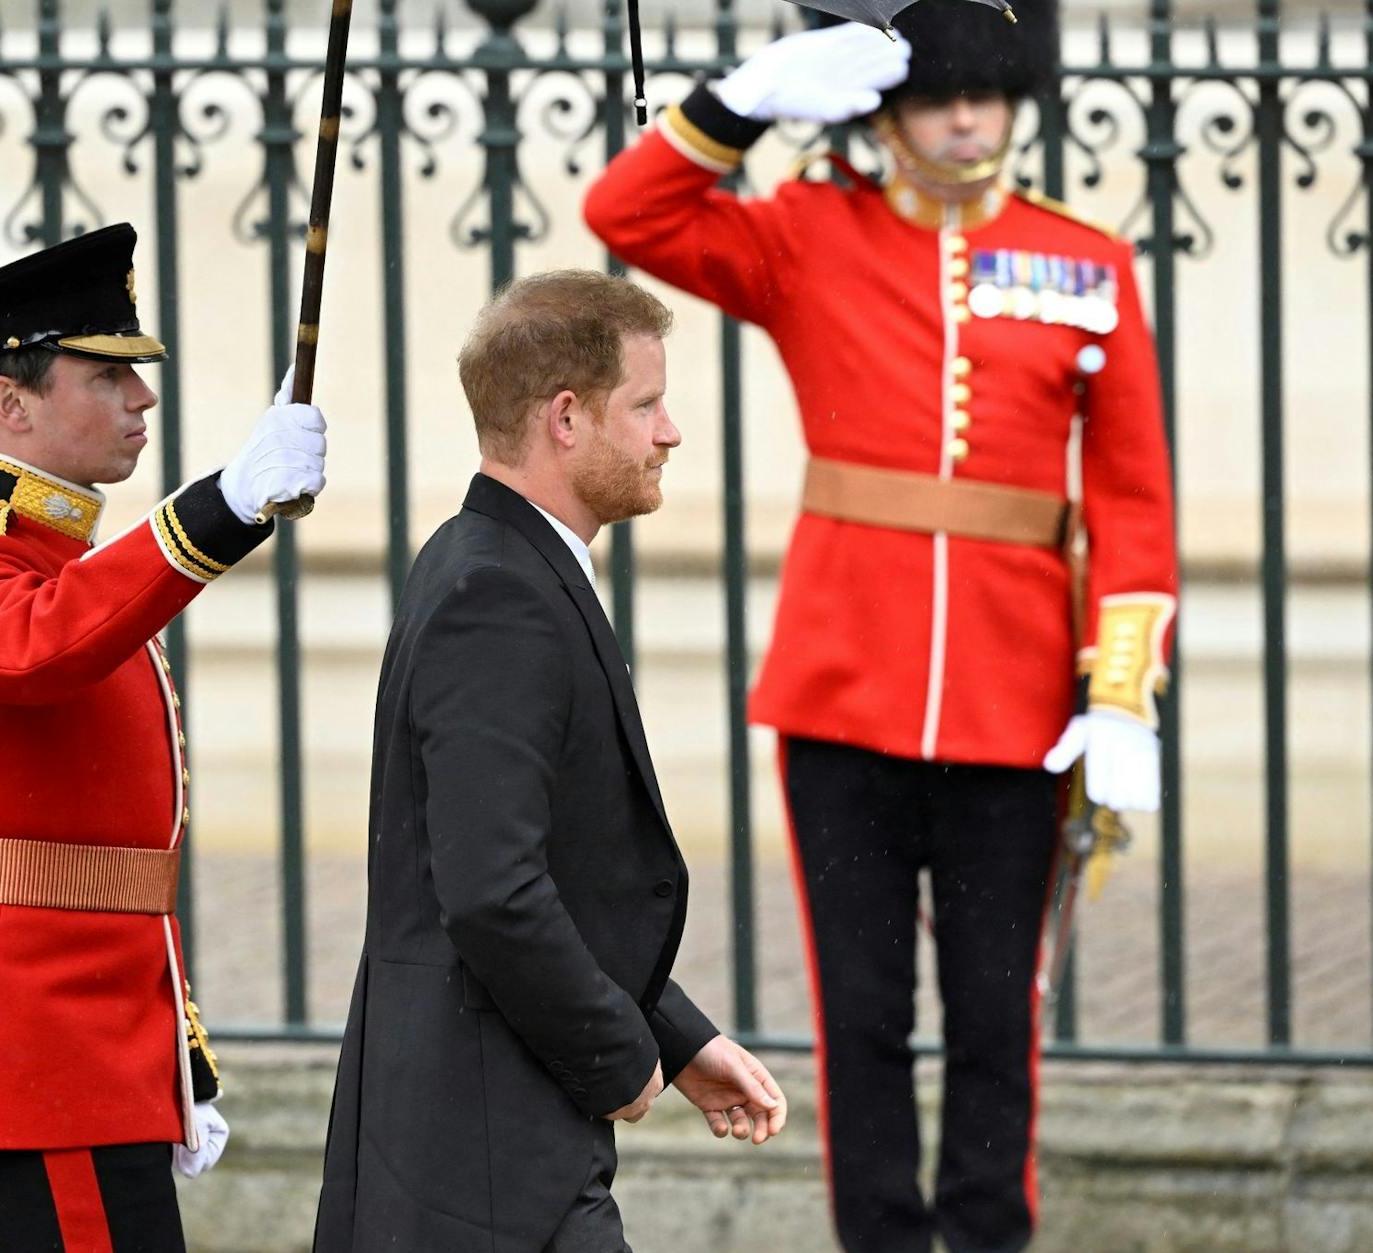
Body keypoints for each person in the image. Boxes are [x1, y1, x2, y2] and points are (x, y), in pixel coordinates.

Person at [584, 4, 1177, 1251]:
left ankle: (986, 1234)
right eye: (936, 97)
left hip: (1018, 704)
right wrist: (737, 105)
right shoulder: (811, 234)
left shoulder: (1086, 263)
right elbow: (627, 215)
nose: (966, 118)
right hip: (843, 689)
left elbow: (1129, 493)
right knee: (857, 1011)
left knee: (991, 1010)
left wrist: (1119, 690)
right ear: (888, 112)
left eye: (985, 95)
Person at [0, 222, 328, 1253]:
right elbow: (36, 648)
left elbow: (106, 861)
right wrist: (219, 507)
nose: (143, 399)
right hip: (30, 1062)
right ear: (10, 401)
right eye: (105, 375)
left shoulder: (58, 564)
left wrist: (176, 1052)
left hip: (87, 1056)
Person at [313, 269, 787, 1253]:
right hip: (479, 1155)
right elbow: (491, 885)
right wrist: (617, 1055)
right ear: (564, 419)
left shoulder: (496, 560)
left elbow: (558, 869)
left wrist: (679, 1036)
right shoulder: (501, 593)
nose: (670, 432)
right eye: (646, 404)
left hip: (488, 1135)